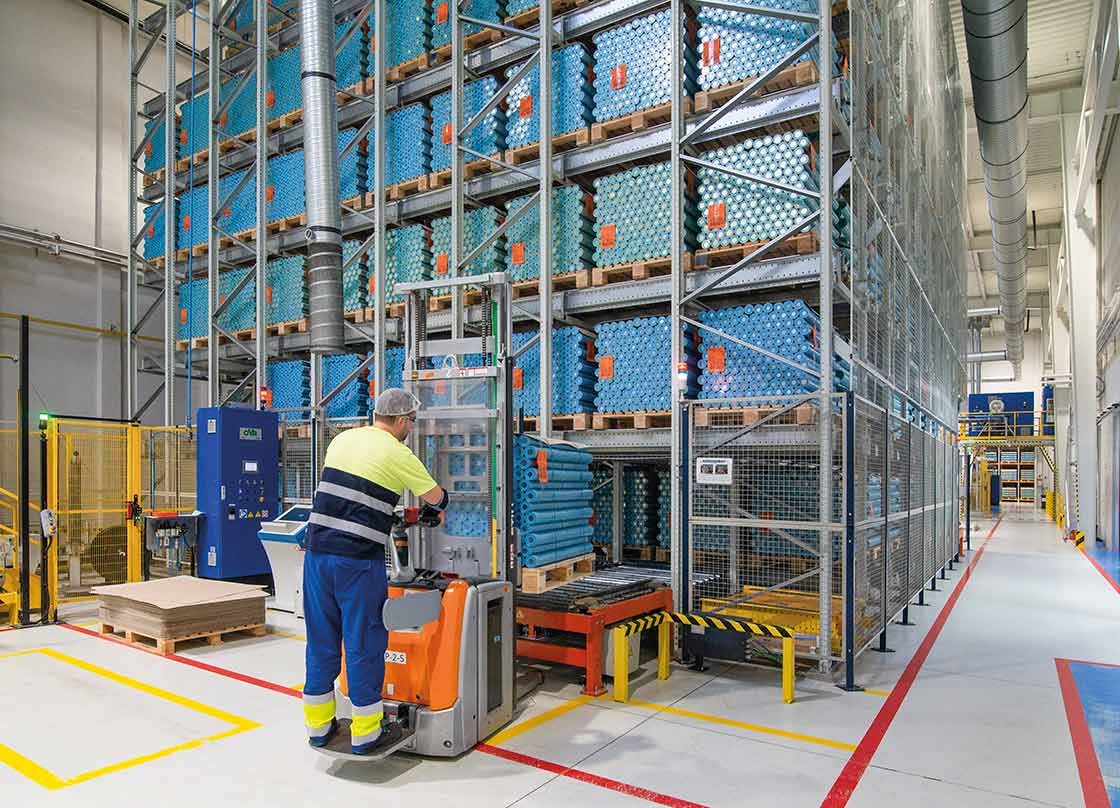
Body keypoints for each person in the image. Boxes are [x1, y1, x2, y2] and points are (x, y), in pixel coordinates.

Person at [301, 388, 448, 755]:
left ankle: (319, 727)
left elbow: (355, 491)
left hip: (316, 555)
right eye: (411, 421)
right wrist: (437, 507)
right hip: (356, 561)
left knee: (321, 640)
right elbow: (437, 498)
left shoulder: (342, 440)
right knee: (363, 641)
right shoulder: (398, 453)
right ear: (399, 420)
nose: (411, 428)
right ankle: (367, 734)